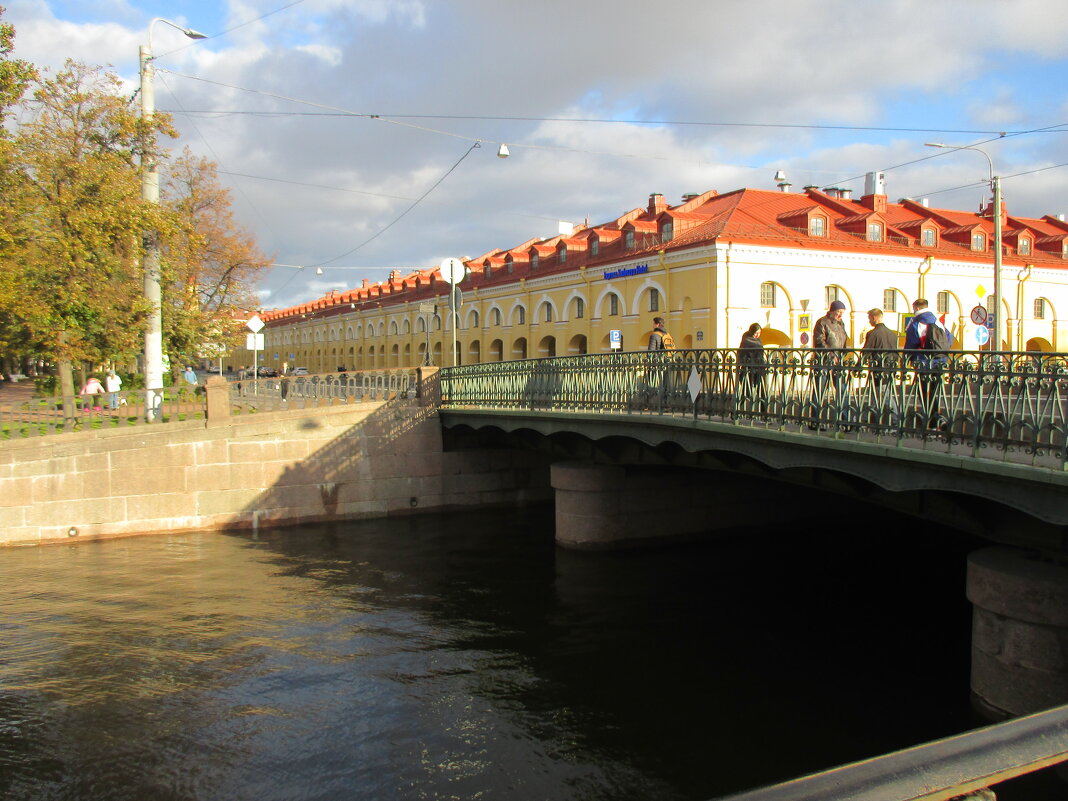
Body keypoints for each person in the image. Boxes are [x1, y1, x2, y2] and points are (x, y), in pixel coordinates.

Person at [904, 299, 954, 429]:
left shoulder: (916, 323)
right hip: (940, 362)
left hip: (924, 363)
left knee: (925, 393)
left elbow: (911, 343)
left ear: (916, 308)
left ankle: (934, 421)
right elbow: (949, 338)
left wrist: (906, 360)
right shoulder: (937, 321)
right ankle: (937, 420)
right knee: (934, 391)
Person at [810, 299, 849, 428]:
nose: (840, 315)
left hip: (838, 362)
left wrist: (843, 355)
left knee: (842, 390)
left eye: (842, 312)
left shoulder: (841, 324)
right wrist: (832, 355)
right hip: (824, 361)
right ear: (831, 311)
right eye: (838, 312)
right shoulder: (822, 322)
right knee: (819, 391)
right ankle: (816, 420)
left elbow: (844, 340)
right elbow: (819, 341)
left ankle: (845, 420)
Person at [862, 309, 899, 424]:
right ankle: (863, 419)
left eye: (869, 318)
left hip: (878, 368)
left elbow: (866, 351)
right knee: (877, 394)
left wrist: (858, 365)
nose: (869, 321)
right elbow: (896, 353)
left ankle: (896, 419)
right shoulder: (893, 334)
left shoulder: (873, 333)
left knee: (884, 394)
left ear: (874, 318)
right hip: (890, 368)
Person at [737, 323, 768, 411]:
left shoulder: (758, 340)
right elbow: (741, 354)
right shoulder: (746, 340)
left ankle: (764, 412)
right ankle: (736, 411)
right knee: (746, 392)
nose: (758, 334)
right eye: (756, 333)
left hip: (759, 369)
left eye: (759, 332)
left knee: (762, 391)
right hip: (749, 369)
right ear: (752, 332)